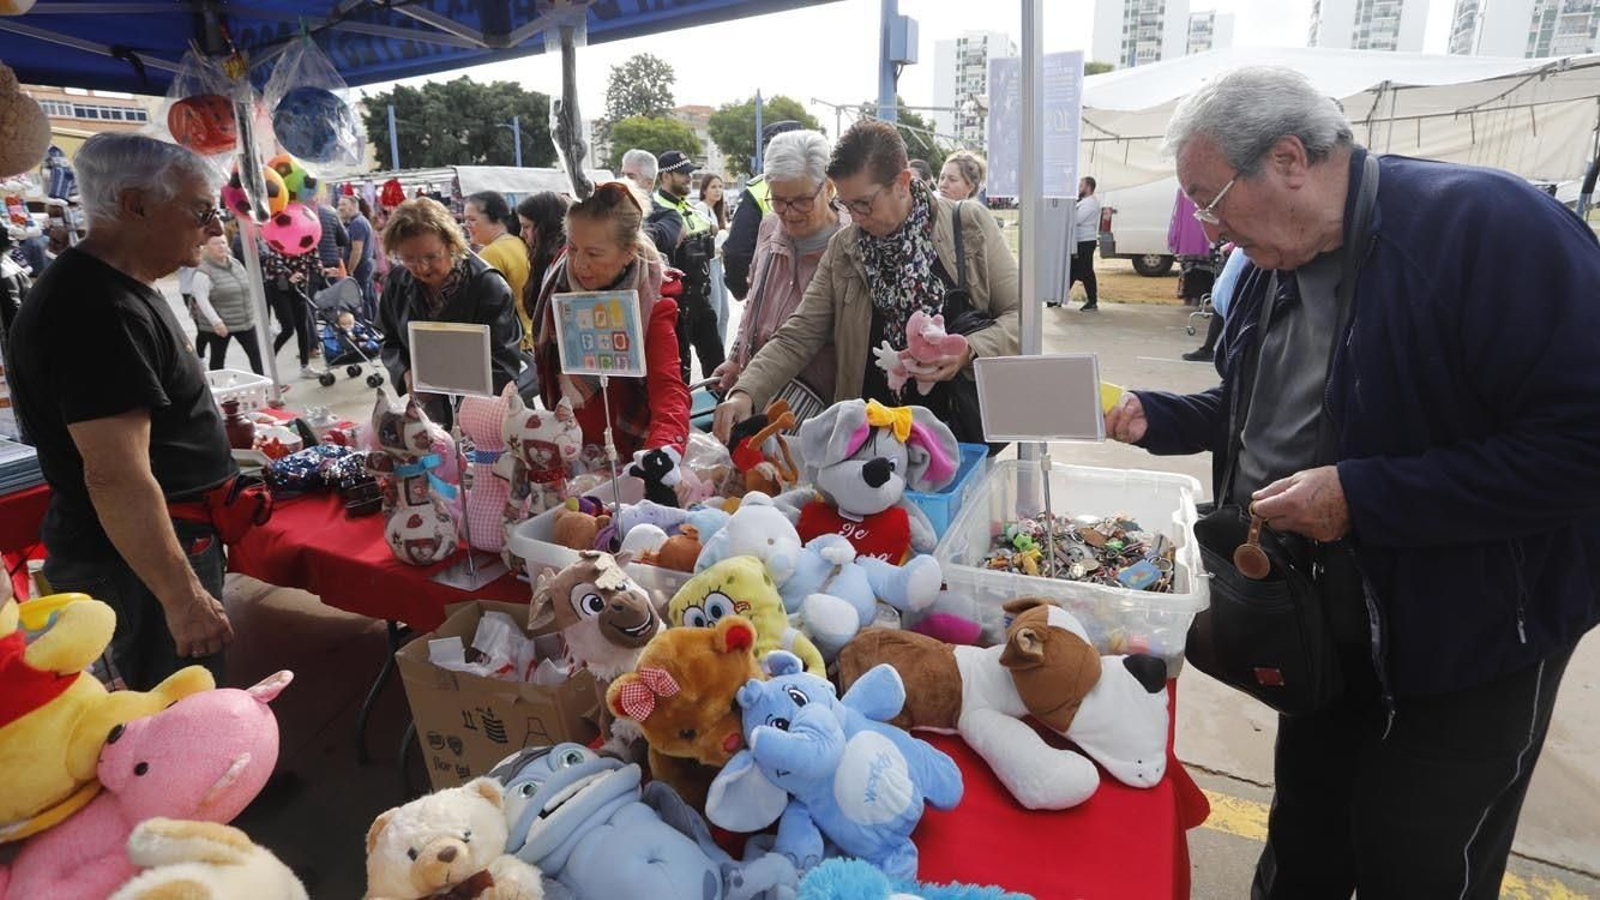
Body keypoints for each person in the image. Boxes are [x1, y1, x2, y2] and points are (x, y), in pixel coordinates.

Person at [1103, 67, 1600, 899]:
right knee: (1308, 830)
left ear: (1291, 158)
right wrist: (1160, 417)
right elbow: (1257, 402)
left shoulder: (1488, 228)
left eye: (1212, 198)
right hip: (1324, 623)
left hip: (1472, 631)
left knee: (1418, 852)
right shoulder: (1272, 261)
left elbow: (1582, 442)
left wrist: (1364, 498)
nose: (1210, 230)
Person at [6, 133, 236, 689]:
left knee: (185, 704)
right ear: (136, 206)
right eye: (202, 211)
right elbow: (115, 475)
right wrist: (182, 597)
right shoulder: (95, 308)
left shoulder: (119, 286)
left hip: (155, 546)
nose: (216, 228)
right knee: (173, 714)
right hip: (133, 563)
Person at [713, 119, 1020, 443]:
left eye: (863, 204)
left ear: (902, 182)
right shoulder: (845, 247)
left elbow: (1021, 318)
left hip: (957, 430)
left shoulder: (967, 224)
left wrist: (968, 350)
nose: (855, 217)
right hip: (870, 440)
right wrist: (746, 391)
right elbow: (799, 334)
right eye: (847, 205)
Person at [527, 181, 690, 460]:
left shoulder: (651, 303)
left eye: (593, 254)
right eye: (573, 248)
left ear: (628, 253)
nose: (578, 264)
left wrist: (662, 454)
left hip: (630, 453)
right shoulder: (557, 286)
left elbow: (668, 390)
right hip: (569, 449)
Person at [711, 130, 846, 408]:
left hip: (815, 402)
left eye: (802, 200)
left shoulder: (849, 244)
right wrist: (736, 358)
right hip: (755, 389)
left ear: (829, 187)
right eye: (779, 199)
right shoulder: (770, 227)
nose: (789, 212)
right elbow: (753, 303)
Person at [377, 197, 523, 426]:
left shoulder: (488, 287)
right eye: (409, 259)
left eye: (431, 257)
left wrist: (450, 386)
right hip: (427, 414)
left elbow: (504, 364)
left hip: (482, 415)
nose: (422, 268)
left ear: (451, 244)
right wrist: (405, 373)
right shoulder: (398, 282)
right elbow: (389, 339)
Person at [654, 150, 724, 384]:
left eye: (689, 173)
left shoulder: (690, 207)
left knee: (717, 366)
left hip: (701, 301)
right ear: (665, 176)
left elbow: (709, 232)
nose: (688, 178)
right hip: (675, 306)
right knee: (680, 375)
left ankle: (723, 412)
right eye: (682, 173)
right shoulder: (656, 210)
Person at [723, 120, 804, 298]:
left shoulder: (758, 190)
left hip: (774, 296)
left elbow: (737, 253)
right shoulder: (830, 187)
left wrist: (742, 291)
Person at [191, 235, 264, 375]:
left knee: (256, 354)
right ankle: (218, 389)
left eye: (223, 242)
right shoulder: (203, 271)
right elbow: (201, 299)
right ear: (205, 248)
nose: (221, 246)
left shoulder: (236, 263)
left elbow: (247, 287)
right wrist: (216, 322)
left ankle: (265, 386)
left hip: (244, 320)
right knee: (218, 358)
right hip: (221, 324)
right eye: (215, 243)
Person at [515, 191, 571, 353]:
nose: (521, 234)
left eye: (526, 227)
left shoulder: (563, 264)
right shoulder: (551, 262)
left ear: (545, 226)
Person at [262, 239, 319, 379]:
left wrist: (325, 271)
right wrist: (288, 275)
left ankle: (305, 367)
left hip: (299, 285)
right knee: (288, 328)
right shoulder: (280, 237)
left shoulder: (309, 239)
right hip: (278, 286)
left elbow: (315, 262)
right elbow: (274, 260)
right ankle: (269, 362)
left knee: (303, 327)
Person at [464, 190, 530, 309]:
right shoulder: (518, 242)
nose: (466, 225)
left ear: (496, 219)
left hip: (511, 326)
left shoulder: (490, 254)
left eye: (472, 219)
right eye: (466, 220)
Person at [1182, 243, 1247, 362]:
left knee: (1228, 304)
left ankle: (1220, 350)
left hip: (1245, 256)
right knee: (1223, 303)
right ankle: (1210, 349)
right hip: (1240, 255)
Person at [619, 148, 683, 256]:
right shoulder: (609, 208)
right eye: (622, 175)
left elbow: (655, 237)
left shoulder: (669, 216)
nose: (624, 181)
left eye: (631, 177)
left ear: (649, 184)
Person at [1064, 176, 1101, 311]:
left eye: (1081, 186)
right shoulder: (1084, 201)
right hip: (1080, 241)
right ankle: (1058, 297)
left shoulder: (1090, 203)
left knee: (1086, 271)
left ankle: (1092, 301)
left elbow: (1077, 219)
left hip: (1085, 241)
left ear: (1088, 187)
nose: (1079, 188)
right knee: (1073, 270)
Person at [337, 194, 376, 321]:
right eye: (339, 204)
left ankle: (365, 324)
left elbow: (357, 250)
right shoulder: (360, 221)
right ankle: (373, 323)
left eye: (344, 204)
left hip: (360, 267)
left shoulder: (357, 224)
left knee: (360, 299)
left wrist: (350, 269)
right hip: (366, 265)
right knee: (368, 297)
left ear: (353, 207)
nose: (340, 207)